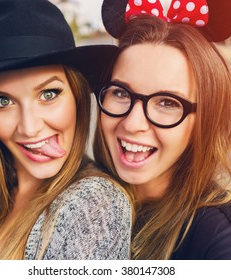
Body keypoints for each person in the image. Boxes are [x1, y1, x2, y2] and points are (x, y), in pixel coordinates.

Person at [0, 0, 132, 260]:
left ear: (77, 96)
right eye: (3, 101)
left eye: (48, 93)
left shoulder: (93, 205)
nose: (29, 128)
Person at [93, 0, 231, 259]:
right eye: (121, 92)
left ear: (205, 118)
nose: (133, 124)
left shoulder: (215, 235)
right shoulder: (82, 200)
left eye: (167, 102)